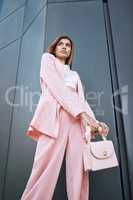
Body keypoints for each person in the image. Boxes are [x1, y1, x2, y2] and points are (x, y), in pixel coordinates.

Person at [21, 35, 109, 200]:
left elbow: (80, 100)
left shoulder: (74, 74)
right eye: (60, 44)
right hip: (54, 119)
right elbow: (56, 87)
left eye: (68, 45)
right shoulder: (47, 59)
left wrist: (94, 123)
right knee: (43, 169)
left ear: (70, 51)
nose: (64, 47)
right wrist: (81, 113)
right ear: (54, 48)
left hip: (76, 122)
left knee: (79, 170)